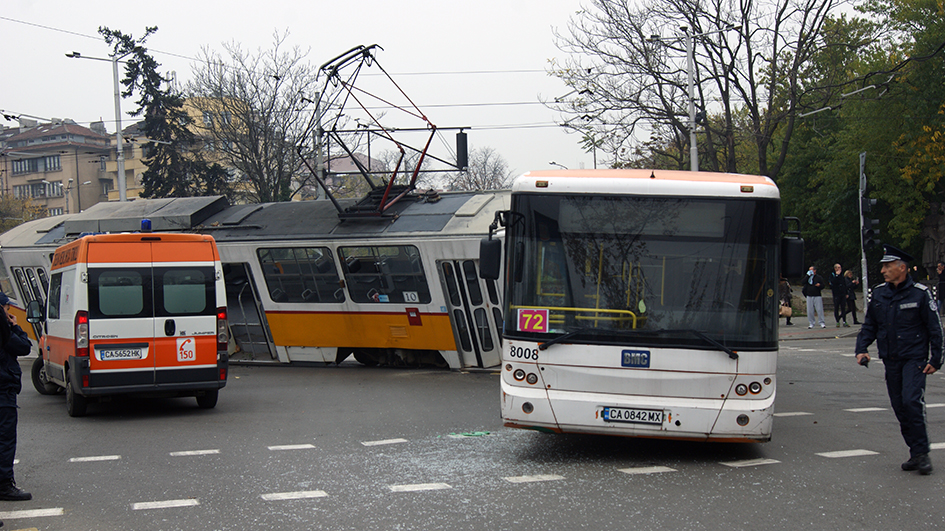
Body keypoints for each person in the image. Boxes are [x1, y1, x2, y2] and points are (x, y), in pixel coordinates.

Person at [855, 245, 943, 475]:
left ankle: (922, 454)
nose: (883, 270)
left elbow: (935, 329)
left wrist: (936, 358)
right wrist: (861, 348)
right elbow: (870, 325)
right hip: (891, 359)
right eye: (883, 266)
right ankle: (915, 452)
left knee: (911, 402)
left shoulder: (920, 294)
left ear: (901, 268)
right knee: (900, 407)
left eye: (887, 266)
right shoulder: (880, 293)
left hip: (914, 359)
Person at [0, 292, 31, 501]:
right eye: (6, 308)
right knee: (5, 439)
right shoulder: (4, 329)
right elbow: (23, 347)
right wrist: (15, 326)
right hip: (3, 389)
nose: (9, 312)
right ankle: (4, 484)